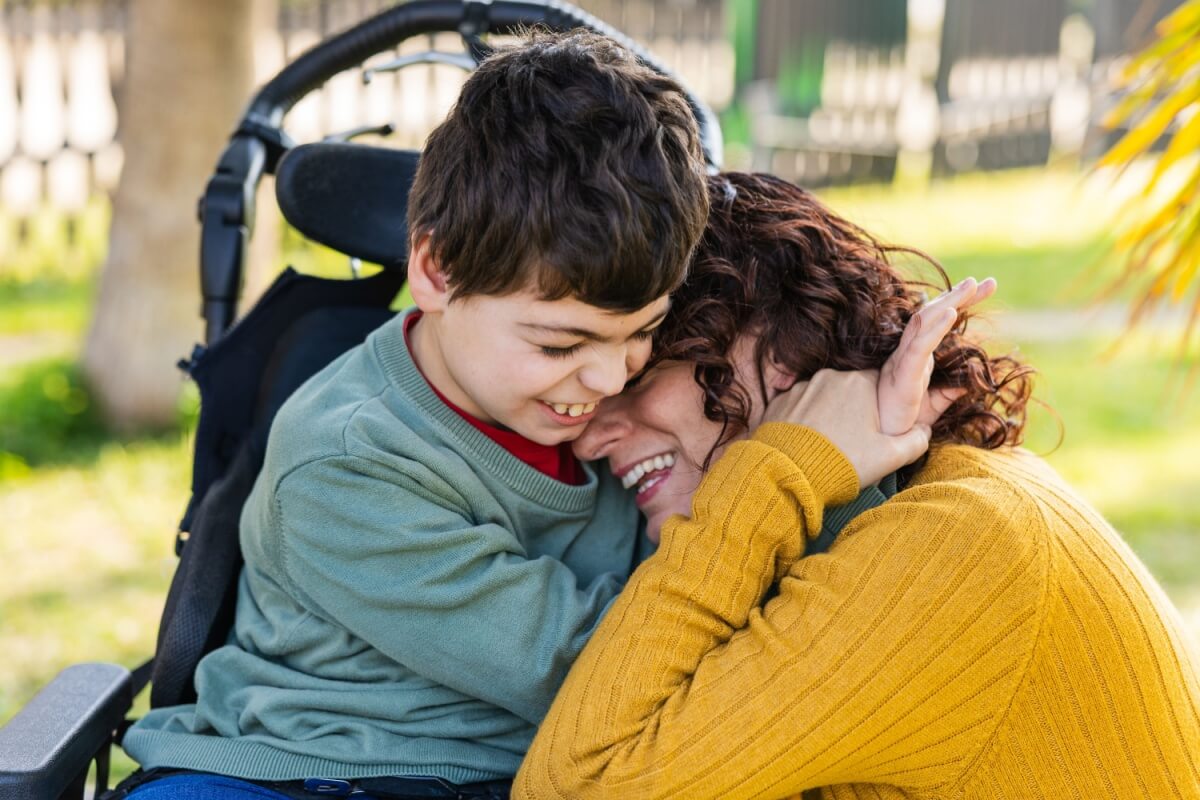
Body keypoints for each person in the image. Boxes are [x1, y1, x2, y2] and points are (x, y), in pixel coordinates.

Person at [116, 29, 711, 798]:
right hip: (315, 770)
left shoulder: (645, 408)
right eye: (563, 342)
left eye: (642, 331)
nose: (607, 376)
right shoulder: (343, 463)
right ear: (435, 270)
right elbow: (587, 667)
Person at [514, 171, 1200, 799]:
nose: (589, 433)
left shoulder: (949, 549)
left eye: (636, 376)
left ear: (774, 346)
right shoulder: (922, 505)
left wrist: (780, 469)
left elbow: (572, 787)